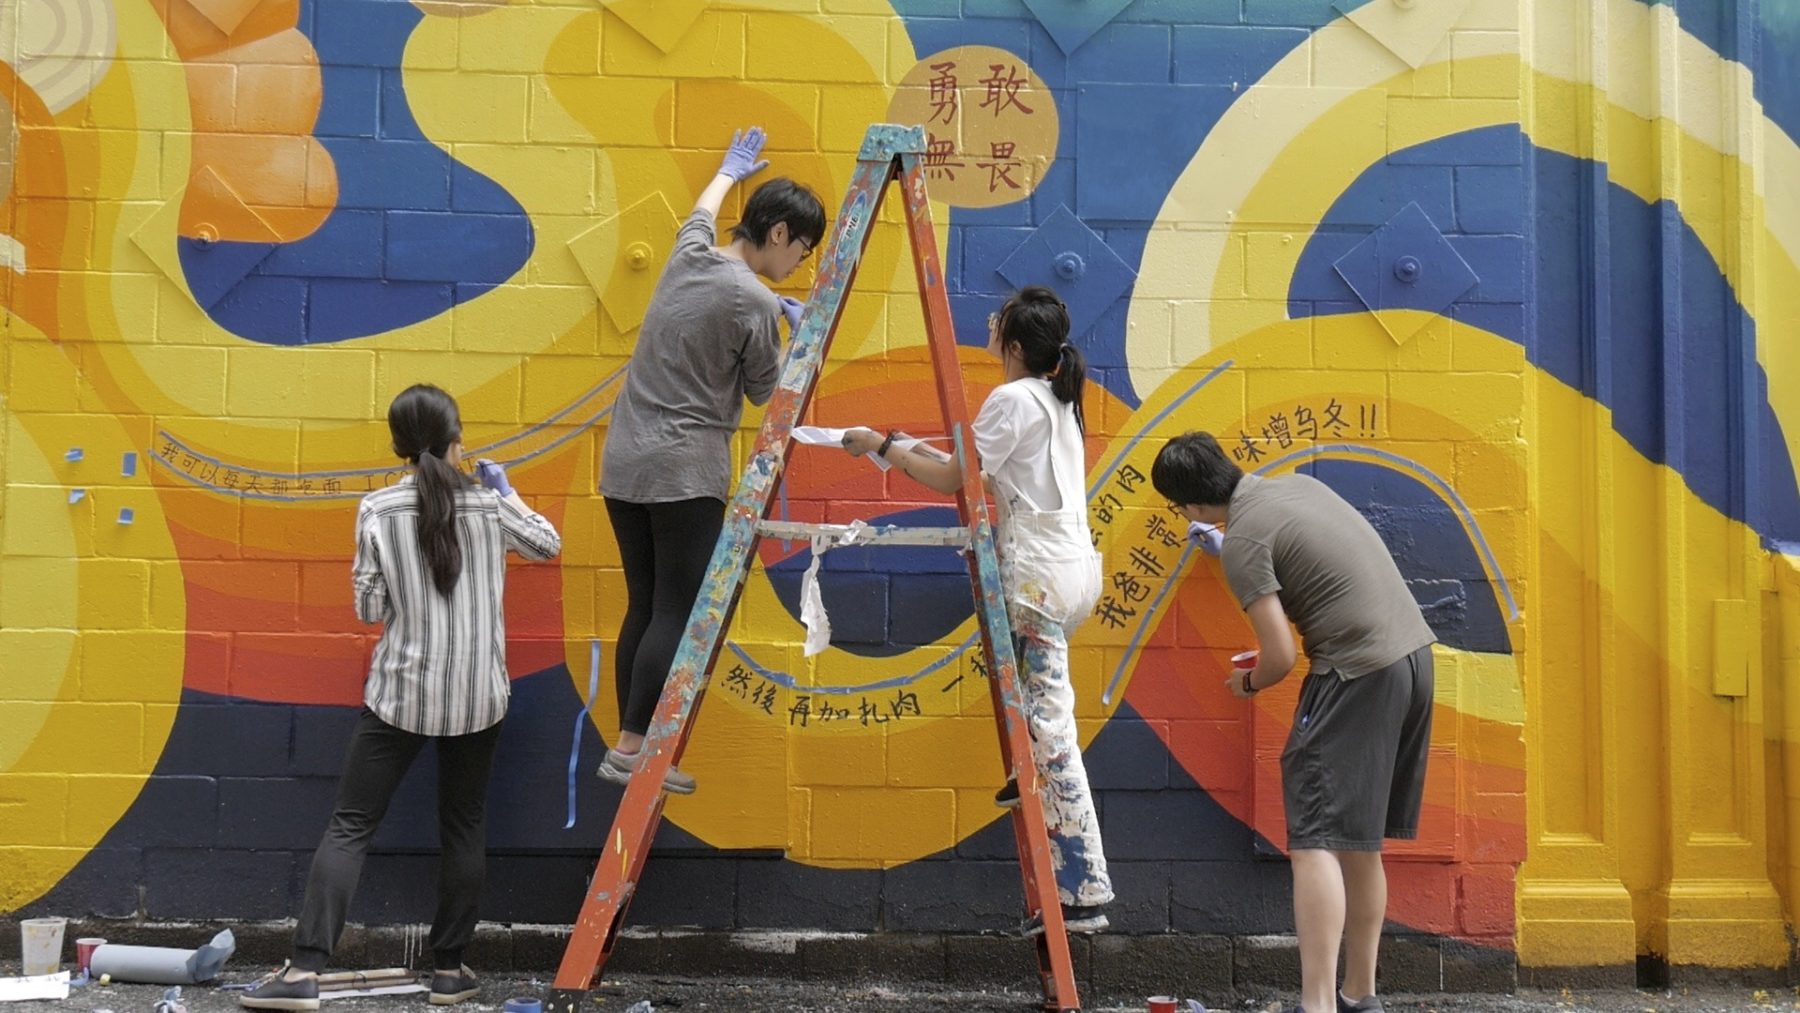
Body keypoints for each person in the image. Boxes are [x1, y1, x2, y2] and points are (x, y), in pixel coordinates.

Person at [241, 384, 562, 1011]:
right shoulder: (488, 505)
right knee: (463, 823)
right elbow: (548, 545)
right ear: (457, 439)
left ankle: (304, 972)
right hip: (479, 696)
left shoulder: (377, 509)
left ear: (398, 446)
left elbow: (369, 608)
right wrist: (506, 491)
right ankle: (450, 972)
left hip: (400, 694)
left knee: (351, 824)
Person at [839, 286, 1113, 934]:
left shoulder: (1012, 398)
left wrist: (881, 447)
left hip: (1038, 579)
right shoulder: (1054, 399)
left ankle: (1085, 886)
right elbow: (973, 468)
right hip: (1070, 572)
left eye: (998, 321)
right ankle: (1033, 785)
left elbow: (952, 479)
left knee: (1049, 725)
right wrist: (893, 441)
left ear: (1014, 346)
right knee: (1037, 716)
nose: (988, 323)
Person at [1150, 431, 1435, 1013]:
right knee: (1358, 845)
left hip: (1355, 672)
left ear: (1192, 507)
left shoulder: (1243, 542)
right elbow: (1304, 560)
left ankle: (1316, 1006)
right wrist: (1230, 548)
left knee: (1314, 844)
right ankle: (1360, 995)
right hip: (1412, 660)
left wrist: (1247, 682)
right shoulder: (1296, 487)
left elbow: (1279, 656)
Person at [597, 126, 825, 794]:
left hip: (625, 462)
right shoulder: (749, 297)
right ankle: (638, 746)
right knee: (679, 606)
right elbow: (767, 394)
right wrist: (799, 331)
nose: (801, 264)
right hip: (683, 470)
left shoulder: (690, 255)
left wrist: (730, 170)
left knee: (644, 603)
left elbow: (700, 212)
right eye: (803, 249)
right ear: (779, 232)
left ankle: (625, 742)